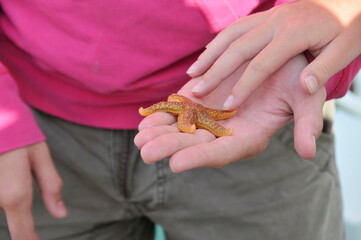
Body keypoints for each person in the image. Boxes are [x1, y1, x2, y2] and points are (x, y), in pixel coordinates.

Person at [0, 1, 360, 240]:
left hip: (261, 94)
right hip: (37, 121)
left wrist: (321, 36)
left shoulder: (197, 112)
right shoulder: (189, 112)